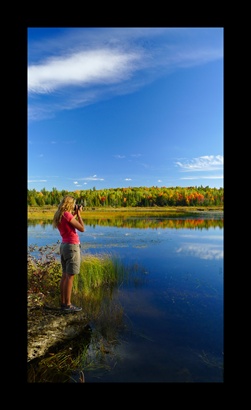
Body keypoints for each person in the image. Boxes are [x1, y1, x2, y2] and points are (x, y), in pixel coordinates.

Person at [52, 195, 84, 312]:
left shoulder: (60, 215)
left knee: (65, 275)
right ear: (69, 204)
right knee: (70, 277)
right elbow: (82, 228)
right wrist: (79, 215)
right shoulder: (67, 214)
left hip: (64, 246)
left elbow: (69, 222)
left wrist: (74, 213)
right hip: (72, 247)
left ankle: (63, 303)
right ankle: (68, 305)